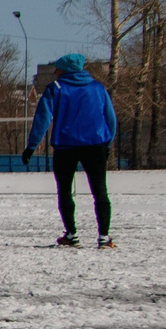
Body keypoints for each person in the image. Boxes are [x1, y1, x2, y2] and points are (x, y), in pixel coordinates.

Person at [25, 53, 118, 248]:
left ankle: (71, 234)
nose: (55, 72)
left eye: (57, 69)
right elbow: (110, 118)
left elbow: (42, 119)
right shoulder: (97, 88)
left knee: (65, 191)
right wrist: (107, 143)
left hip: (65, 146)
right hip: (94, 145)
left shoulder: (56, 89)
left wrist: (32, 145)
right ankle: (103, 236)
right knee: (100, 191)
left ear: (65, 70)